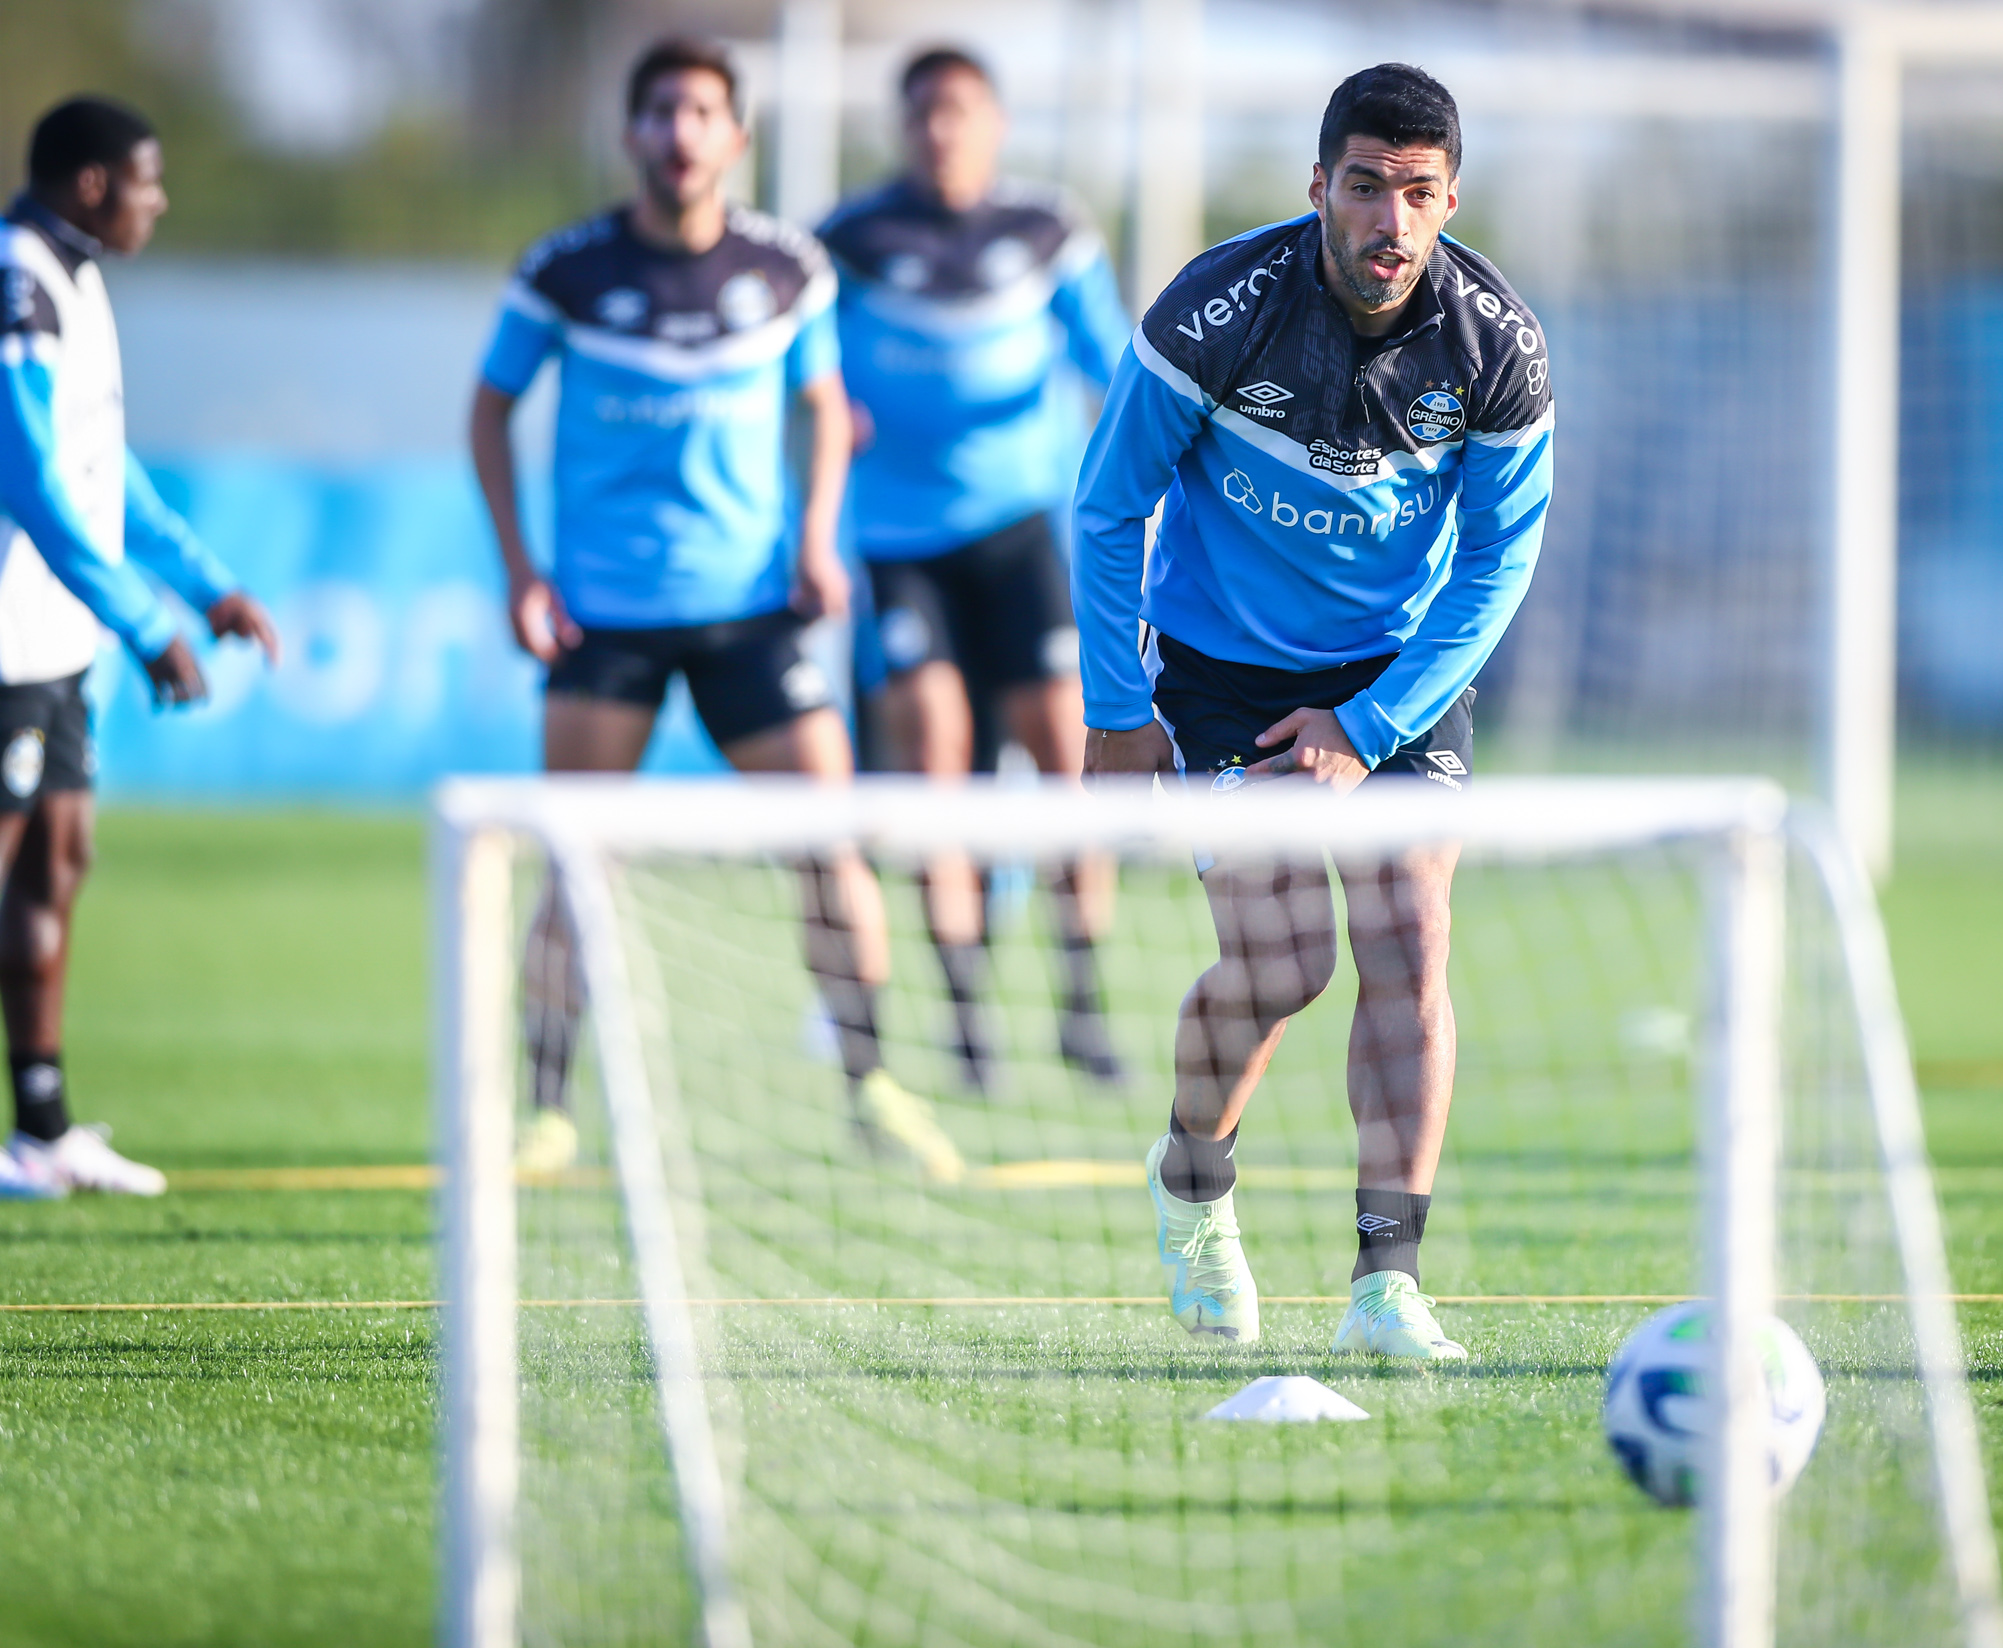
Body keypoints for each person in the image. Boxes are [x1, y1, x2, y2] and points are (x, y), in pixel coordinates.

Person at [1075, 65, 1554, 1357]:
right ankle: (1191, 1189)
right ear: (1318, 188)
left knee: (1411, 932)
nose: (1387, 221)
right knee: (1285, 965)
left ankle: (1386, 1283)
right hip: (1222, 672)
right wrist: (1119, 718)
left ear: (1451, 201)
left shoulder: (1495, 345)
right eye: (1362, 186)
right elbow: (1108, 504)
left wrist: (1370, 722)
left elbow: (1501, 562)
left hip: (1396, 680)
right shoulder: (1218, 309)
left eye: (1415, 193)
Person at [470, 37, 962, 1183]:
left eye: (703, 112)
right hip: (606, 617)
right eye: (661, 112)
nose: (681, 133)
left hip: (752, 612)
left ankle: (870, 1086)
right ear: (631, 135)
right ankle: (545, 1110)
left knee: (830, 846)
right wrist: (519, 569)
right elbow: (488, 411)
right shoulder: (566, 271)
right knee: (575, 862)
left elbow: (829, 408)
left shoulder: (790, 270)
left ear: (735, 138)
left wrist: (813, 541)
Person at [0, 97, 281, 1199]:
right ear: (91, 185)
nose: (158, 202)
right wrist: (147, 620)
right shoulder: (4, 284)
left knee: (58, 862)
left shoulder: (73, 277)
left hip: (54, 637)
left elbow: (100, 468)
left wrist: (204, 585)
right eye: (146, 183)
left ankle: (44, 1126)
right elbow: (24, 479)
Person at [817, 47, 1131, 1094]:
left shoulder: (1049, 233)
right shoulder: (848, 244)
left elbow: (1121, 378)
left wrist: (1147, 505)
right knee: (937, 760)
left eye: (958, 112)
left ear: (993, 124)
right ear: (899, 129)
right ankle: (965, 1022)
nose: (939, 132)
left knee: (1067, 753)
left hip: (1018, 536)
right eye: (921, 115)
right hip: (901, 549)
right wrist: (821, 422)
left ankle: (1082, 1004)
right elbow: (797, 376)